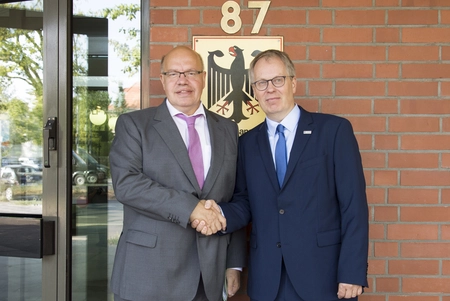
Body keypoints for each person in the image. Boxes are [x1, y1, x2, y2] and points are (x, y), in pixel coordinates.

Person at [194, 49, 369, 300]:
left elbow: (354, 207)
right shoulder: (247, 143)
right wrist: (218, 213)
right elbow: (244, 203)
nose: (270, 89)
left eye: (278, 80)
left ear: (293, 82)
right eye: (261, 83)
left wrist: (352, 271)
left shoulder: (333, 131)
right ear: (254, 91)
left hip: (323, 277)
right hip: (269, 279)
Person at [109, 45, 246, 301]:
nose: (182, 81)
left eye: (191, 72)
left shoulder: (228, 129)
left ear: (204, 78)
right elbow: (127, 184)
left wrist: (234, 262)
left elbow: (236, 197)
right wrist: (191, 208)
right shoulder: (135, 125)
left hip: (208, 277)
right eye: (173, 73)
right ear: (162, 80)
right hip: (148, 275)